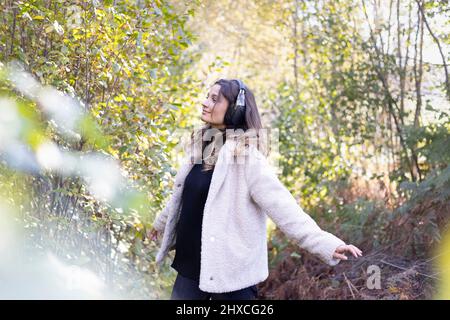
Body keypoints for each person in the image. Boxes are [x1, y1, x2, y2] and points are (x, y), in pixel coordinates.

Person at [149, 78, 362, 300]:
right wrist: (161, 223)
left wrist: (326, 244)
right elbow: (184, 196)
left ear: (234, 110)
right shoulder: (201, 146)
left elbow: (285, 209)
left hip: (232, 279)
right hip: (190, 271)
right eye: (207, 97)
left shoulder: (248, 157)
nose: (205, 103)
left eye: (214, 99)